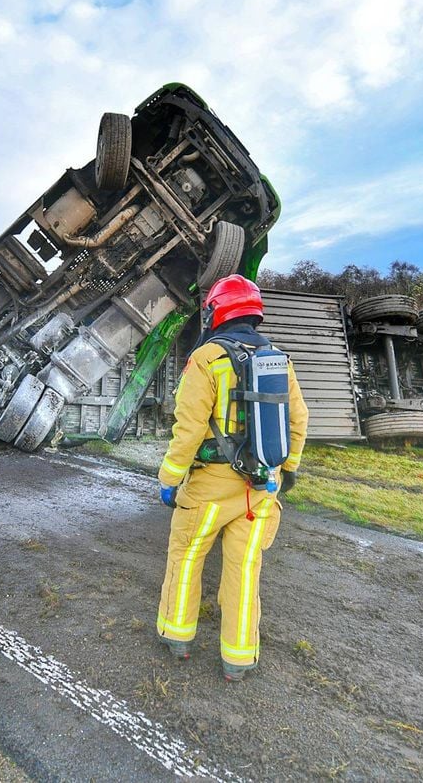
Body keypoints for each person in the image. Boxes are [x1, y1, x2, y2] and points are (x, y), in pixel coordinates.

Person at [155, 275, 309, 681]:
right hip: (260, 489)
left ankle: (178, 636)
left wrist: (169, 478)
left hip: (209, 487)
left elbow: (187, 430)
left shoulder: (206, 359)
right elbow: (299, 419)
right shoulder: (279, 359)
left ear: (216, 311)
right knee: (244, 568)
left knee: (187, 556)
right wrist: (288, 469)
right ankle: (238, 659)